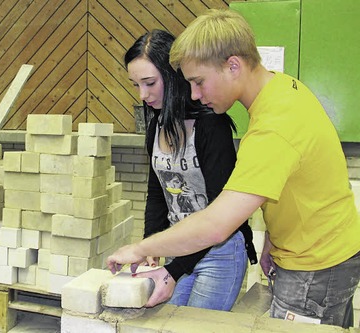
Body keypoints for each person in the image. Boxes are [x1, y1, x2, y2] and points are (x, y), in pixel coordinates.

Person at [108, 9, 360, 328]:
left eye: (199, 82)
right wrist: (273, 239)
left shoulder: (274, 127)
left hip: (316, 266)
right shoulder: (281, 90)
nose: (195, 94)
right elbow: (291, 182)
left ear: (233, 65)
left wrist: (140, 247)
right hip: (312, 253)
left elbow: (217, 224)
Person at [125, 29, 256, 310]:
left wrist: (174, 269)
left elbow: (220, 217)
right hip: (180, 246)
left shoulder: (211, 125)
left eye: (149, 83)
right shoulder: (156, 126)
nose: (143, 95)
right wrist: (152, 245)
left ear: (173, 76)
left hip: (218, 251)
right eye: (135, 85)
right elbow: (157, 193)